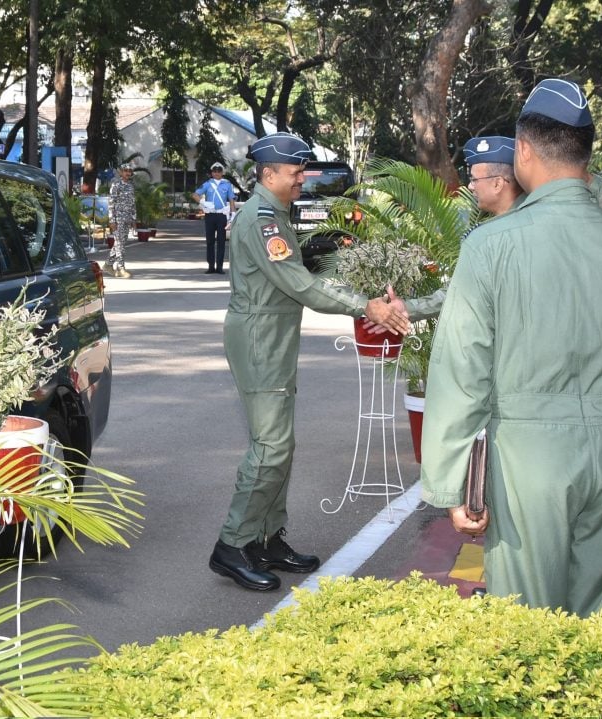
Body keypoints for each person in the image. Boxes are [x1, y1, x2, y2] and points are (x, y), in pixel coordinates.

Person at [419, 78, 602, 617]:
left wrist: (451, 483)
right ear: (587, 156)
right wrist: (592, 184)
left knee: (528, 623)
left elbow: (461, 372)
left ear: (524, 152)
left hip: (529, 460)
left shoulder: (490, 245)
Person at [209, 132, 411, 592]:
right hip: (261, 341)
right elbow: (300, 284)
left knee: (281, 443)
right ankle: (233, 544)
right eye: (296, 172)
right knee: (271, 446)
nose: (303, 179)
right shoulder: (263, 220)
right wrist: (366, 305)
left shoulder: (275, 214)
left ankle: (266, 537)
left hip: (272, 338)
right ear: (268, 174)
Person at [402, 135, 523, 323]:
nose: (470, 186)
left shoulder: (515, 233)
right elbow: (460, 288)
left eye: (474, 180)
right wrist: (408, 308)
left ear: (498, 183)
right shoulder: (490, 231)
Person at [192, 162, 237, 274]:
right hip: (210, 215)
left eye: (219, 171)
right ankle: (211, 266)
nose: (217, 173)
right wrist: (203, 202)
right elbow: (195, 195)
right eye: (215, 171)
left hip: (222, 215)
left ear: (222, 172)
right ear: (212, 173)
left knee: (221, 241)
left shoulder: (227, 185)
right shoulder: (207, 184)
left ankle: (220, 267)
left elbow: (231, 200)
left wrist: (233, 214)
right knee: (210, 241)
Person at [106, 162, 137, 278]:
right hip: (118, 219)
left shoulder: (130, 186)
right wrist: (112, 220)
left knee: (121, 244)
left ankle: (108, 265)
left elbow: (133, 204)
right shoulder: (116, 185)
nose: (128, 173)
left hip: (127, 219)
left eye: (129, 171)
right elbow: (111, 203)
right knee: (119, 243)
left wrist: (134, 219)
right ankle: (120, 268)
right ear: (121, 172)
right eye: (126, 171)